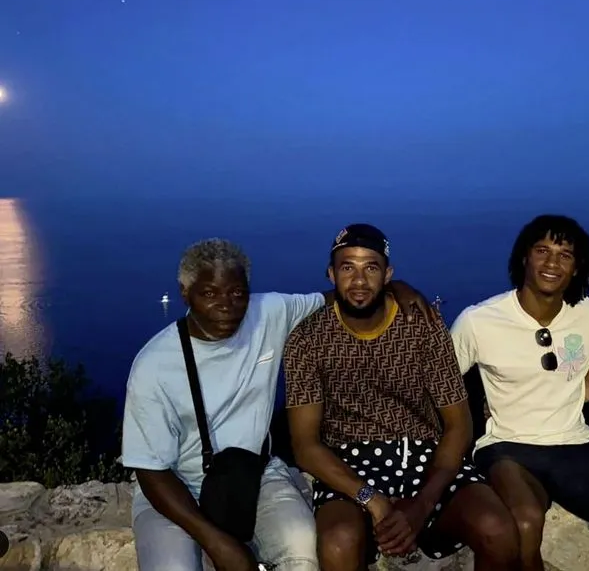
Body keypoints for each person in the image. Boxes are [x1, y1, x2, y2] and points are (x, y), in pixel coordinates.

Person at [121, 237, 435, 571]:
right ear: (186, 293)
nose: (226, 305)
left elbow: (335, 298)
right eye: (209, 293)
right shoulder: (154, 365)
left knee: (302, 551)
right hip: (174, 487)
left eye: (237, 293)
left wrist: (392, 288)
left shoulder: (268, 313)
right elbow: (151, 471)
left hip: (256, 475)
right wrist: (217, 542)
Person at [283, 224, 520, 571]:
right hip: (349, 465)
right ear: (331, 274)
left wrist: (422, 504)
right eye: (348, 267)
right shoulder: (308, 338)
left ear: (388, 275)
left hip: (426, 457)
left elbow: (458, 425)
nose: (359, 280)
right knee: (338, 541)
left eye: (371, 267)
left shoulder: (420, 324)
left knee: (497, 529)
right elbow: (305, 446)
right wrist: (374, 500)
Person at [451, 214, 589, 571]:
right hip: (507, 446)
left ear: (577, 267)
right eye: (542, 251)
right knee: (524, 523)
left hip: (575, 444)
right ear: (524, 257)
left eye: (565, 255)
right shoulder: (479, 321)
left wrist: (571, 397)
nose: (552, 263)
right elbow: (440, 384)